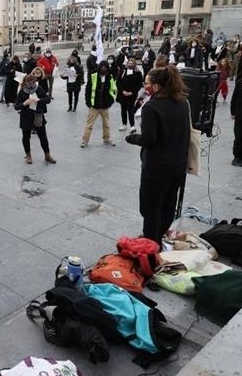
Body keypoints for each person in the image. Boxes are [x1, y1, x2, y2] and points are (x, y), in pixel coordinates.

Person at [125, 66, 190, 243]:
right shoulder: (183, 102)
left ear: (156, 86)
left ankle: (150, 243)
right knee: (169, 203)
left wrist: (132, 138)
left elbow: (148, 139)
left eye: (147, 83)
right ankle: (159, 236)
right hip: (178, 165)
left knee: (151, 207)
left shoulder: (152, 107)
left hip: (156, 167)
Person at [15, 71, 56, 164]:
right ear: (25, 83)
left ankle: (47, 155)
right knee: (26, 137)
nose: (32, 84)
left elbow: (48, 99)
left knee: (43, 137)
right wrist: (25, 103)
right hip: (26, 117)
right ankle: (28, 155)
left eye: (34, 82)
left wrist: (39, 100)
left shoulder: (39, 89)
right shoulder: (22, 92)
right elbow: (16, 106)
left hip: (38, 115)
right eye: (30, 82)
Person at [81, 61, 118, 148]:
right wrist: (88, 102)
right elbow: (88, 90)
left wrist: (110, 101)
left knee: (106, 124)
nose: (103, 69)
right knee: (89, 124)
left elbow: (114, 90)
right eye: (102, 67)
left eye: (105, 67)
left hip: (105, 106)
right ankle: (84, 141)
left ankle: (107, 139)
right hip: (94, 106)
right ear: (99, 68)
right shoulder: (93, 76)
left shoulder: (110, 77)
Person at [116, 59, 143, 133]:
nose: (130, 64)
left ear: (134, 64)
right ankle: (124, 124)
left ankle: (132, 125)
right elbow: (118, 82)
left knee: (131, 111)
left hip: (132, 95)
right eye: (129, 63)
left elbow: (139, 84)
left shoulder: (138, 73)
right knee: (123, 110)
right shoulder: (122, 72)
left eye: (132, 63)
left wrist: (132, 92)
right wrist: (122, 91)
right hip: (122, 95)